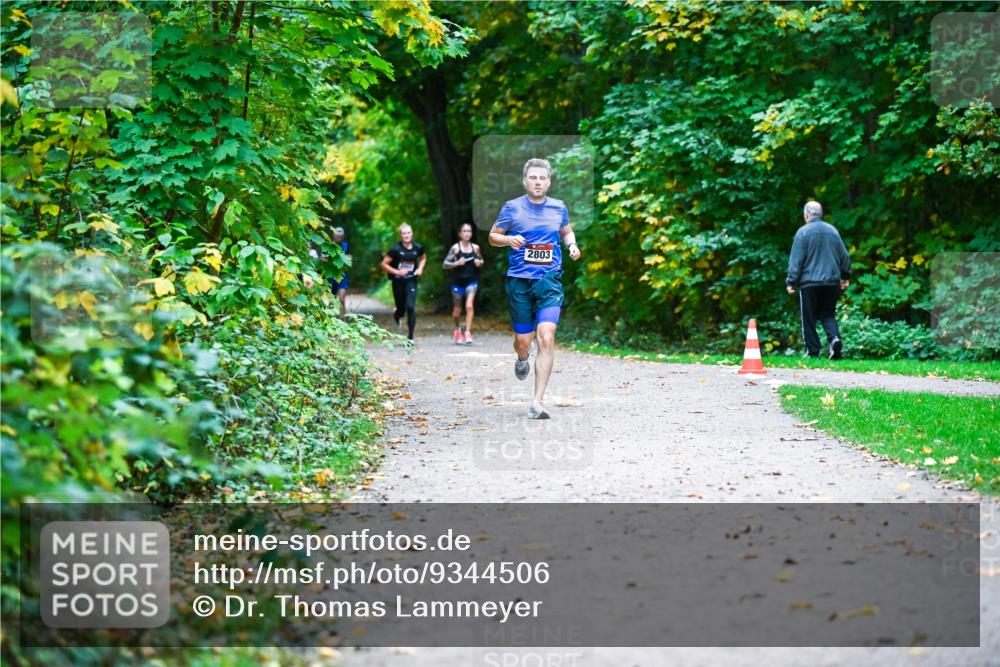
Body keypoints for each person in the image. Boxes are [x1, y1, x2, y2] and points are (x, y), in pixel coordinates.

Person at [489, 158, 581, 419]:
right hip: (519, 281)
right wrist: (508, 239)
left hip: (549, 280)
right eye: (533, 178)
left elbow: (566, 232)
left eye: (542, 178)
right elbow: (493, 236)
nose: (538, 181)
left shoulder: (558, 208)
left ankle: (537, 402)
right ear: (525, 181)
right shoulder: (512, 208)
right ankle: (521, 358)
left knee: (547, 337)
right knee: (523, 342)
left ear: (549, 182)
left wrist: (572, 245)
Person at [786, 200, 852, 359]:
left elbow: (797, 259)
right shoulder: (832, 231)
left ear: (806, 215)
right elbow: (844, 256)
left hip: (809, 283)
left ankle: (813, 351)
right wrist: (845, 276)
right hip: (831, 282)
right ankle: (834, 339)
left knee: (808, 318)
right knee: (828, 314)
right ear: (821, 214)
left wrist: (791, 281)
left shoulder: (803, 232)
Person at [380, 224, 426, 342]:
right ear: (400, 235)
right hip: (398, 281)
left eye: (408, 233)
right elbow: (383, 264)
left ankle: (410, 337)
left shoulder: (417, 247)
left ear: (412, 233)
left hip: (411, 280)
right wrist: (397, 272)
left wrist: (420, 269)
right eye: (404, 233)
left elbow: (423, 258)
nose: (406, 235)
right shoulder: (395, 249)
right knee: (401, 310)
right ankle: (397, 315)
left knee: (410, 307)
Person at [443, 222, 484, 345]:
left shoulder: (475, 248)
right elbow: (445, 264)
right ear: (460, 234)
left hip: (471, 281)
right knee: (457, 310)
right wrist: (456, 263)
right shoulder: (455, 248)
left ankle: (467, 332)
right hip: (458, 282)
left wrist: (479, 262)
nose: (467, 233)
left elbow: (482, 261)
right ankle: (457, 330)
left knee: (469, 306)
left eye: (469, 231)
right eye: (464, 231)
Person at [332, 227, 349, 315]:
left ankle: (343, 318)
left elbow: (350, 258)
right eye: (337, 236)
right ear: (334, 236)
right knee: (332, 299)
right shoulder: (329, 245)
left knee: (342, 299)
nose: (339, 238)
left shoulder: (346, 246)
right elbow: (322, 258)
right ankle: (333, 318)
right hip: (331, 275)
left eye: (341, 236)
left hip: (343, 275)